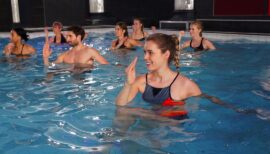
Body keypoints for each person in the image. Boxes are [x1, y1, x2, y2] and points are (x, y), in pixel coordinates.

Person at [116, 33, 201, 118]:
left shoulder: (186, 86)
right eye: (145, 52)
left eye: (150, 52)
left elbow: (197, 114)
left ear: (166, 54)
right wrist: (128, 84)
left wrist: (142, 112)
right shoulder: (141, 81)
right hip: (150, 124)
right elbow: (120, 108)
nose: (145, 57)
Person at [43, 25, 109, 67]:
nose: (67, 39)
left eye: (70, 36)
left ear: (79, 37)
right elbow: (50, 66)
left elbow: (106, 66)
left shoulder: (90, 52)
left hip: (85, 83)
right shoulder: (65, 55)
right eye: (67, 36)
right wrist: (46, 58)